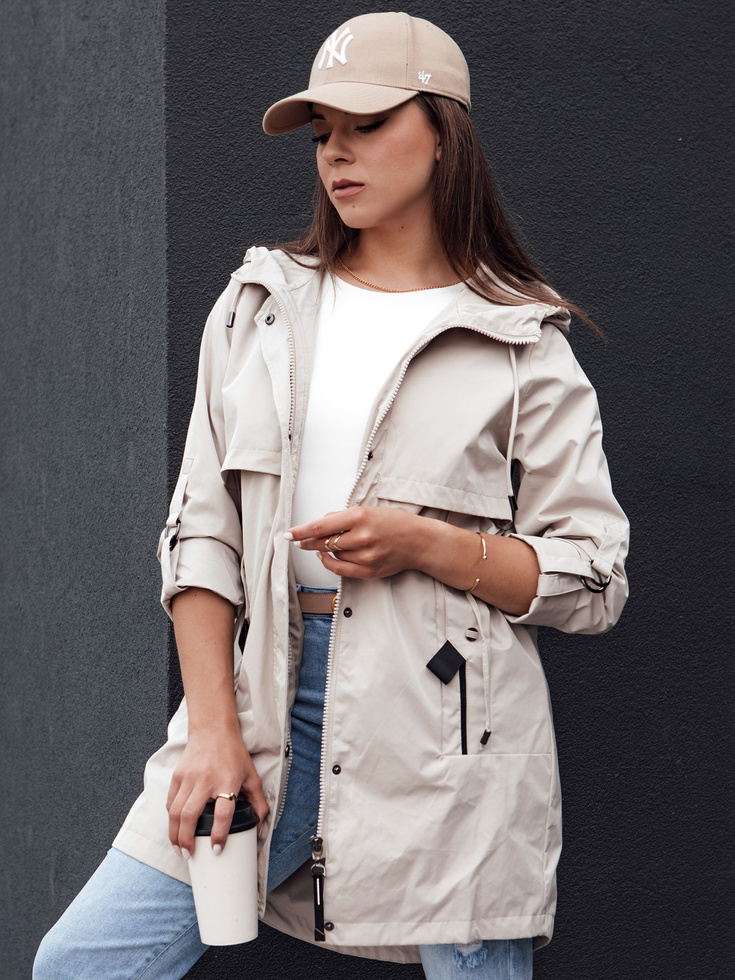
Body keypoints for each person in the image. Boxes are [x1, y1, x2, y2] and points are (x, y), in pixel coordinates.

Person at [34, 12, 629, 980]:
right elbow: (201, 531)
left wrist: (426, 543)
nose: (337, 154)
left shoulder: (523, 342)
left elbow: (594, 579)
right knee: (81, 963)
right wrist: (212, 730)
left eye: (368, 124)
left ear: (443, 135)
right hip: (259, 697)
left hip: (449, 731)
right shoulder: (260, 306)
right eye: (323, 134)